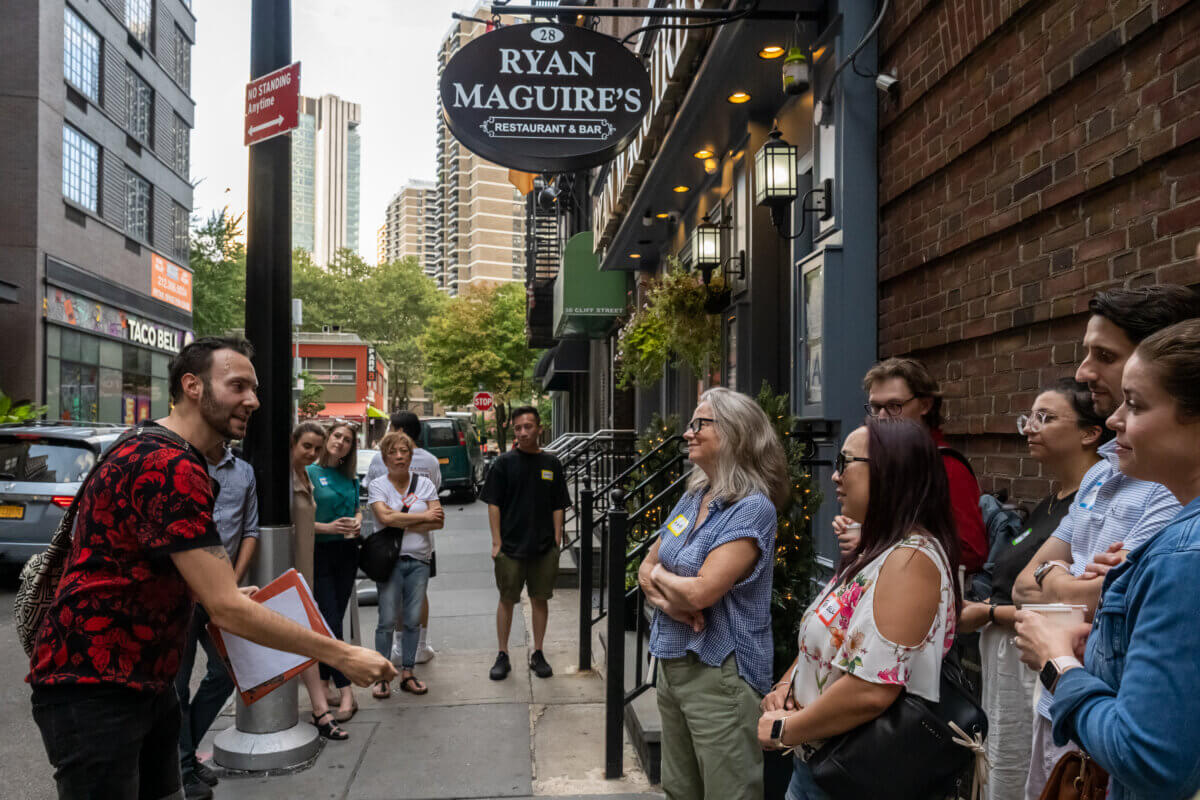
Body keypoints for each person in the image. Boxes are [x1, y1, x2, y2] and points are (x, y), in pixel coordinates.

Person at [27, 337, 394, 800]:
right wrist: (341, 656)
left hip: (143, 682)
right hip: (96, 688)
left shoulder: (149, 443)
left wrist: (217, 592)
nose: (253, 400)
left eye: (254, 388)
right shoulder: (169, 466)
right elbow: (227, 611)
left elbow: (142, 565)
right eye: (237, 385)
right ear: (192, 386)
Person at [1012, 286, 1199, 799]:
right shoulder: (1108, 477)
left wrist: (1060, 660)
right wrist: (1068, 584)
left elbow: (1151, 757)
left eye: (1135, 404)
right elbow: (1027, 584)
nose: (1113, 423)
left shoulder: (1184, 549)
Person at [758, 417, 961, 800]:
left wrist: (784, 730)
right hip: (823, 762)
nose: (835, 476)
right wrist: (787, 685)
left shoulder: (911, 560)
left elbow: (872, 690)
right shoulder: (879, 551)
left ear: (891, 472)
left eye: (845, 462)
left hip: (855, 774)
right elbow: (833, 640)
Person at [956, 379, 1110, 800]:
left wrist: (990, 613)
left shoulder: (1097, 505)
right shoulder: (1050, 504)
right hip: (1010, 650)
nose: (1029, 428)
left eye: (1045, 417)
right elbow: (1024, 584)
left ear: (1090, 432)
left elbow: (1077, 603)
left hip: (1040, 660)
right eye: (1029, 418)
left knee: (1031, 772)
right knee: (1005, 765)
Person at [637, 388, 789, 800]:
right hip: (672, 664)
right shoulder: (693, 498)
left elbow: (703, 591)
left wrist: (676, 589)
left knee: (729, 792)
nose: (688, 432)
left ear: (736, 432)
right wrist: (676, 599)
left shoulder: (753, 508)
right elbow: (644, 568)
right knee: (679, 790)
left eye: (699, 423)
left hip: (721, 673)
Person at [174, 439, 260, 799]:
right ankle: (181, 768)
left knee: (227, 672)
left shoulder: (243, 472)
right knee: (177, 686)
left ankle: (183, 755)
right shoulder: (180, 464)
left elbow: (250, 531)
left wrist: (229, 582)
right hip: (180, 593)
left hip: (222, 591)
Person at [845, 358, 987, 574]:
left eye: (894, 406)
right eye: (875, 407)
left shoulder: (947, 466)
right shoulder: (881, 458)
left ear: (925, 405)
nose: (882, 417)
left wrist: (870, 541)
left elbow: (972, 552)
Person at [480, 406, 571, 681]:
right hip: (510, 547)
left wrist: (557, 538)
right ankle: (502, 654)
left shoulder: (551, 464)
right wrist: (496, 542)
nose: (523, 432)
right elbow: (493, 503)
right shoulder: (504, 464)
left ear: (539, 429)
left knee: (540, 599)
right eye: (518, 427)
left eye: (528, 426)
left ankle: (538, 652)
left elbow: (558, 504)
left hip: (544, 547)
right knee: (507, 599)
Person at [367, 431, 443, 697]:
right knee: (386, 620)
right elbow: (384, 519)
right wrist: (421, 516)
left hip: (420, 560)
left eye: (404, 451)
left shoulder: (424, 485)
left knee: (412, 620)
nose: (399, 457)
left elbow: (439, 521)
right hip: (390, 563)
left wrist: (398, 517)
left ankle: (408, 672)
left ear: (412, 455)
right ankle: (382, 676)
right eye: (393, 452)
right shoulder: (377, 485)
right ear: (385, 457)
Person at [290, 421, 351, 738]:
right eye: (307, 446)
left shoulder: (305, 475)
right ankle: (328, 704)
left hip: (308, 567)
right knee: (312, 633)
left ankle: (321, 709)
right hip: (290, 570)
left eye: (317, 447)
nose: (312, 452)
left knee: (309, 636)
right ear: (293, 442)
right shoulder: (287, 477)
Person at [308, 421, 363, 721]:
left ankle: (327, 684)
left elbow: (357, 507)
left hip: (347, 552)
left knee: (333, 621)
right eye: (337, 436)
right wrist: (326, 527)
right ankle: (347, 692)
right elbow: (298, 519)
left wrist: (357, 519)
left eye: (347, 440)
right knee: (329, 622)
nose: (341, 442)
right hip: (319, 552)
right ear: (328, 437)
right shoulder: (308, 473)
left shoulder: (349, 477)